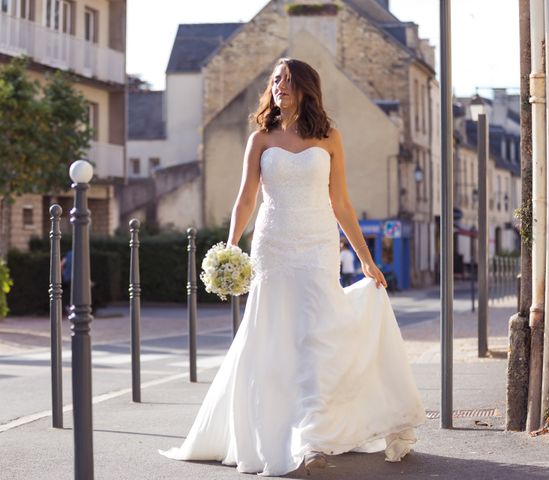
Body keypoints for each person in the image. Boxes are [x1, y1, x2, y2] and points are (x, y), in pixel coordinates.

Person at [160, 58, 425, 476]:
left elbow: (341, 202)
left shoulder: (330, 137)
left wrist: (366, 259)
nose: (279, 86)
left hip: (318, 246)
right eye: (275, 80)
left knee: (317, 340)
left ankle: (314, 441)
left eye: (286, 80)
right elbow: (246, 198)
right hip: (274, 246)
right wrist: (230, 248)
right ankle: (278, 436)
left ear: (305, 87)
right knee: (274, 339)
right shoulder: (260, 139)